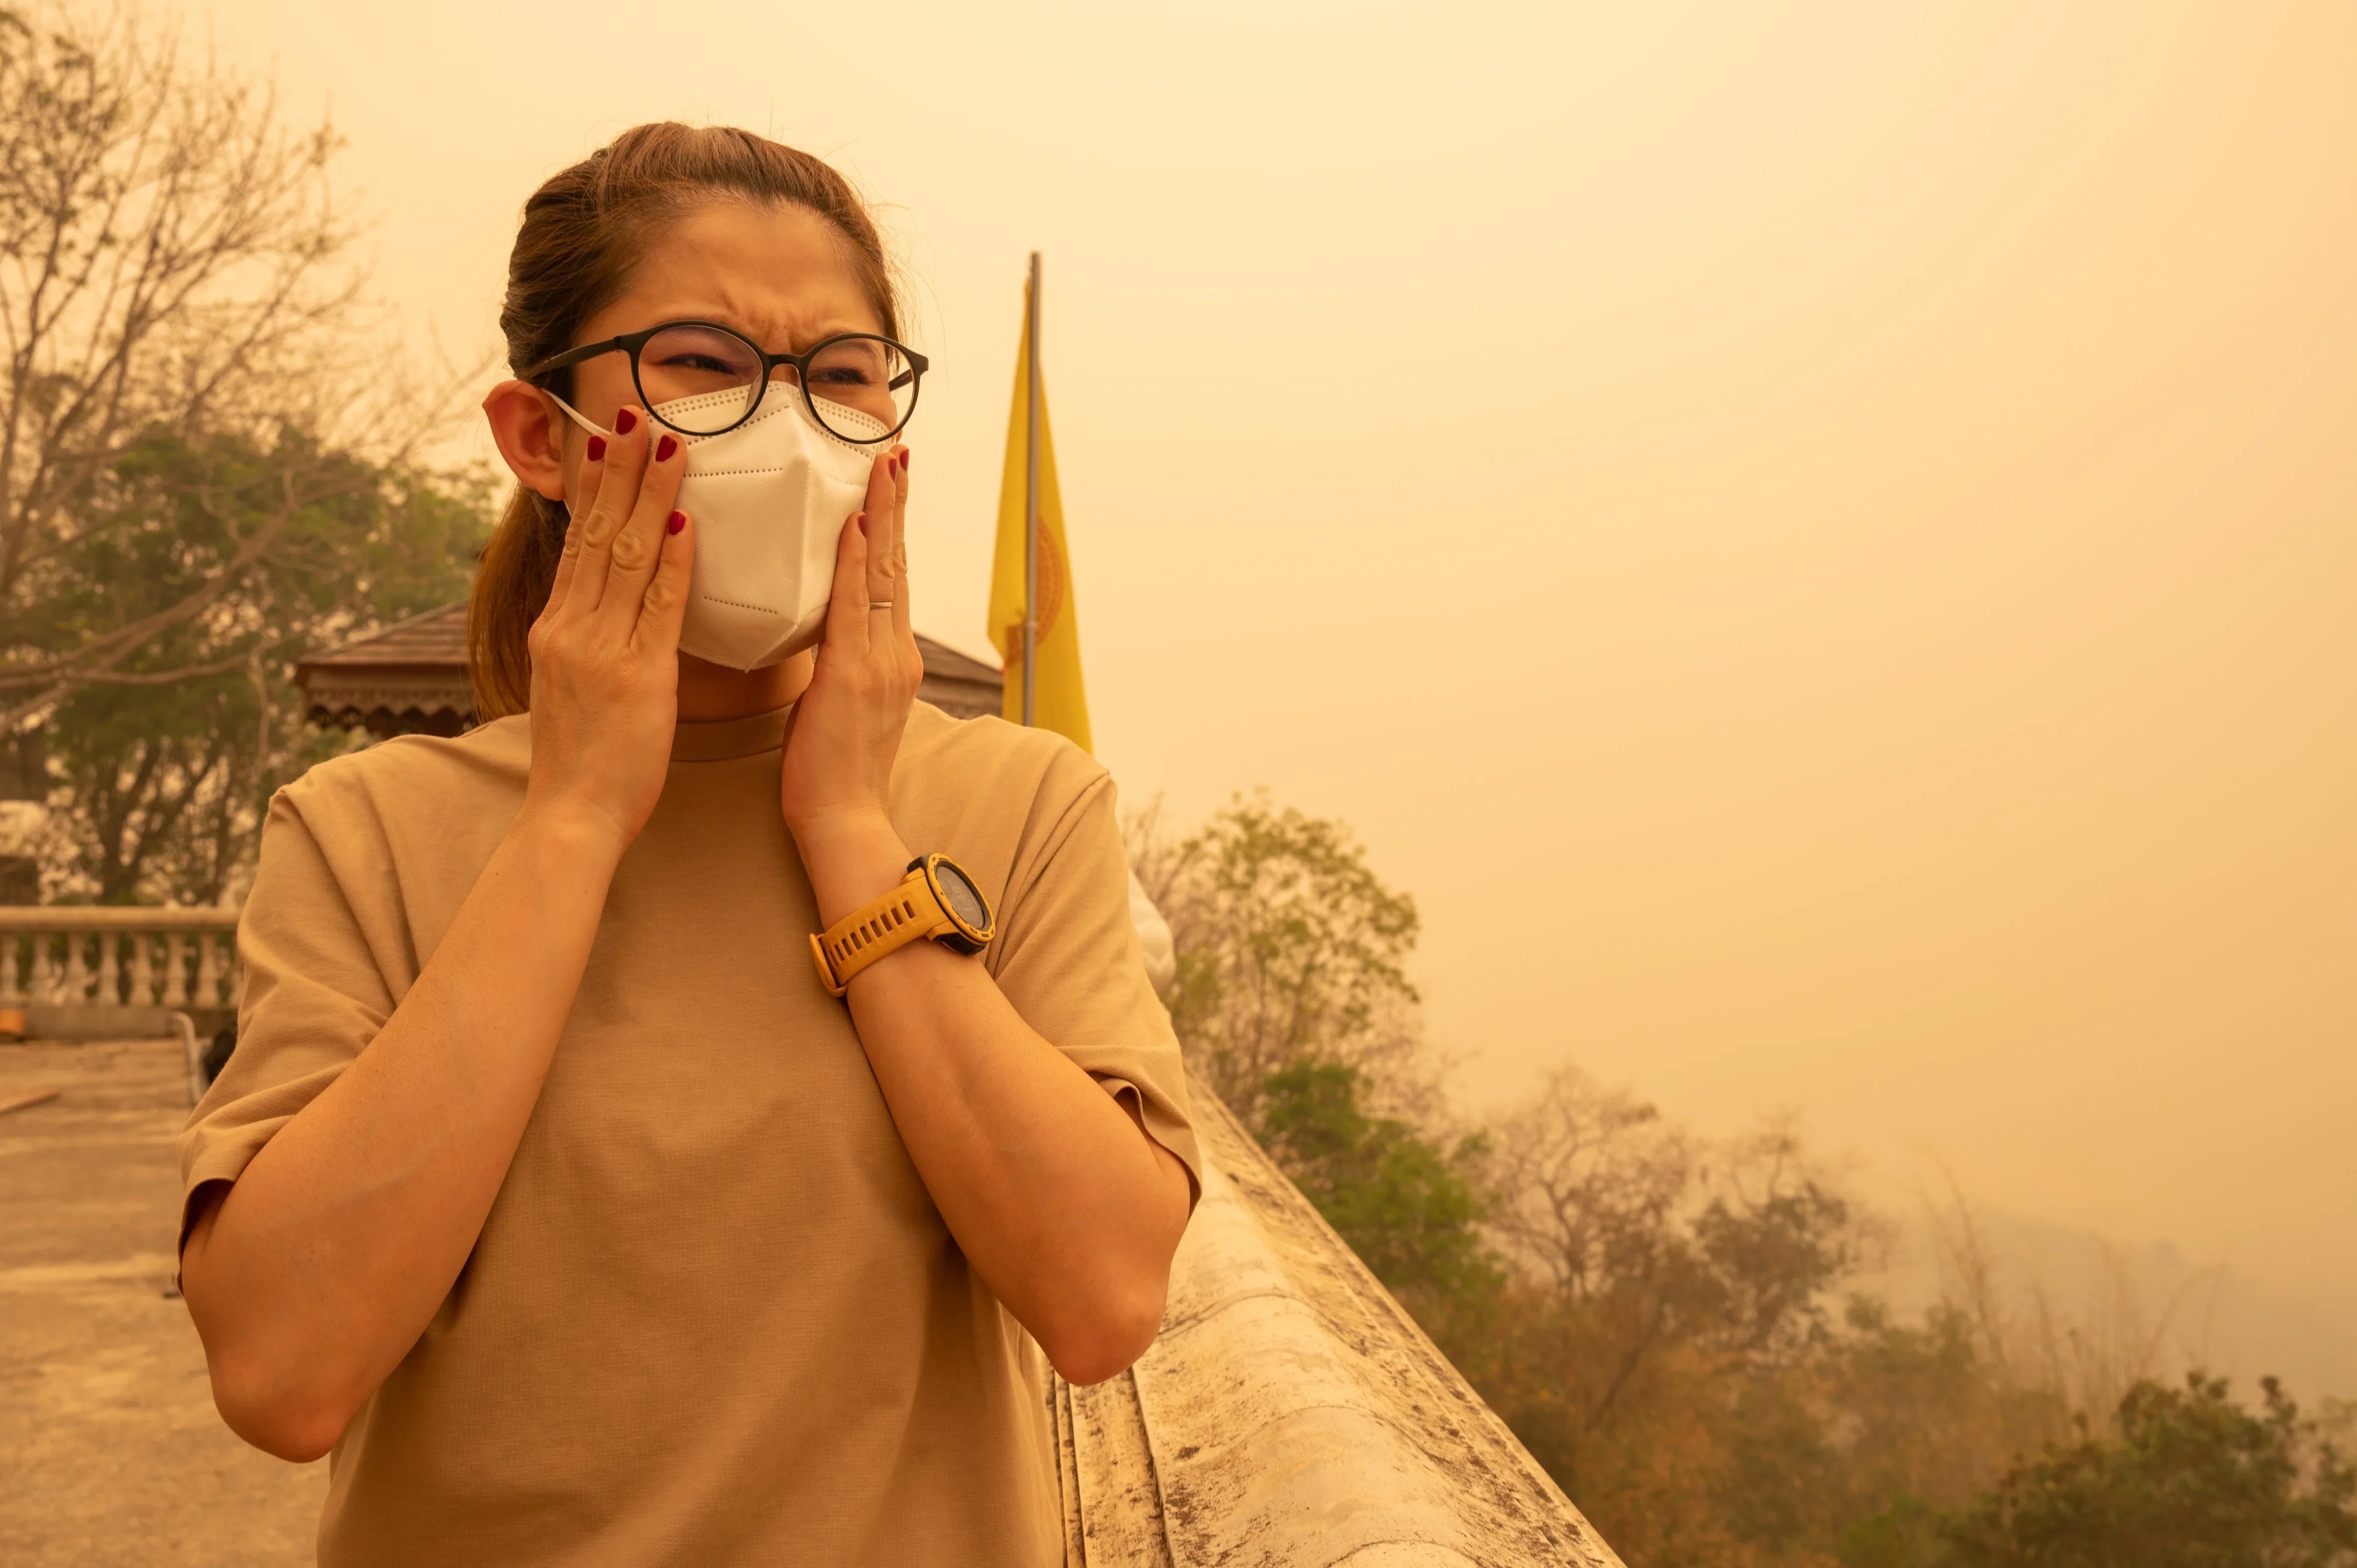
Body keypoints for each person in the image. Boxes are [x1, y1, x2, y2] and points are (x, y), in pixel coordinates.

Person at [177, 123, 1200, 1567]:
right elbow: (283, 1370)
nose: (786, 434)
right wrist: (578, 815)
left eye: (841, 376)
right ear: (545, 435)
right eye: (707, 365)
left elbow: (1102, 1301)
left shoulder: (1021, 810)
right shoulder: (368, 833)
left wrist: (848, 825)